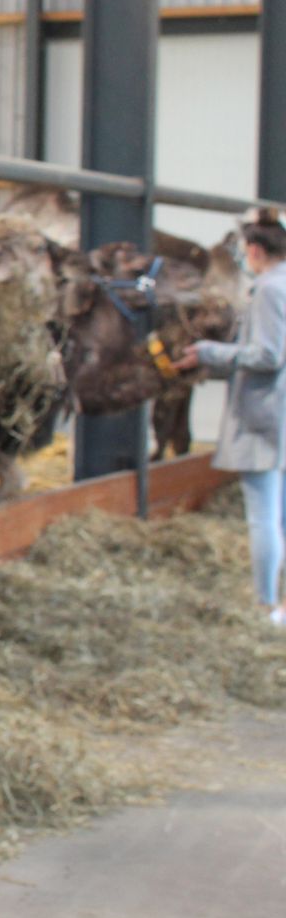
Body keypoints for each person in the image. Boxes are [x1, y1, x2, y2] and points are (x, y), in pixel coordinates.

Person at [175, 217, 286, 625]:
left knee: (263, 517)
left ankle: (265, 604)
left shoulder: (270, 290)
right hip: (280, 411)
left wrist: (211, 352)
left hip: (265, 413)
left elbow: (268, 355)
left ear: (255, 250)